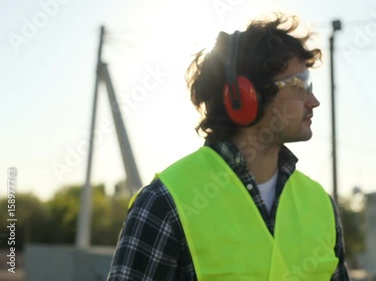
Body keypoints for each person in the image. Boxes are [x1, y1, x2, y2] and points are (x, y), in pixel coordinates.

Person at [107, 13, 350, 281]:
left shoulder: (321, 205)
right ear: (244, 96)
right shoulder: (164, 203)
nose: (314, 101)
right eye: (300, 85)